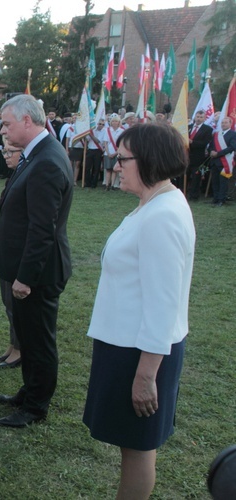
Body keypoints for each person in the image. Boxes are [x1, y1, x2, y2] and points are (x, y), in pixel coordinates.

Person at [83, 123, 195, 499]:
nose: (116, 166)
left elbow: (163, 304)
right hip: (126, 345)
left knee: (138, 449)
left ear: (148, 160)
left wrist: (146, 375)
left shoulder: (162, 215)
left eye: (122, 158)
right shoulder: (155, 204)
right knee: (133, 445)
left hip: (140, 352)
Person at [0, 94, 73, 428]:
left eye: (7, 123)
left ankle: (36, 406)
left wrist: (24, 277)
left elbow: (43, 229)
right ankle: (29, 391)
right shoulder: (37, 154)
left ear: (28, 121)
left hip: (38, 273)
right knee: (28, 334)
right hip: (28, 267)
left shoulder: (47, 161)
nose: (3, 130)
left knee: (39, 341)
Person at [0, 137, 23, 369]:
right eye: (5, 152)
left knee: (15, 304)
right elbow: (4, 216)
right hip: (6, 246)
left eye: (10, 152)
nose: (6, 156)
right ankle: (13, 344)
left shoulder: (26, 175)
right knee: (7, 300)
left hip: (17, 250)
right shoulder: (13, 175)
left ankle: (20, 348)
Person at [208, 116, 236, 206]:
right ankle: (215, 198)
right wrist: (211, 151)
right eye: (222, 123)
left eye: (226, 122)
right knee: (215, 181)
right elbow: (211, 145)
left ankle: (221, 199)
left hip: (225, 162)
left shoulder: (233, 134)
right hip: (215, 161)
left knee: (223, 182)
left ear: (230, 124)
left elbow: (232, 147)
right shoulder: (217, 134)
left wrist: (218, 153)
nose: (223, 124)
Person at [187, 110, 214, 200]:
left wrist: (192, 142)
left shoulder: (207, 129)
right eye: (197, 117)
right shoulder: (188, 127)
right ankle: (184, 193)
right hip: (186, 156)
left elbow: (204, 143)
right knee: (185, 175)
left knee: (196, 177)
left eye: (201, 117)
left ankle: (194, 195)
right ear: (195, 117)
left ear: (205, 118)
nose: (198, 119)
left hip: (198, 157)